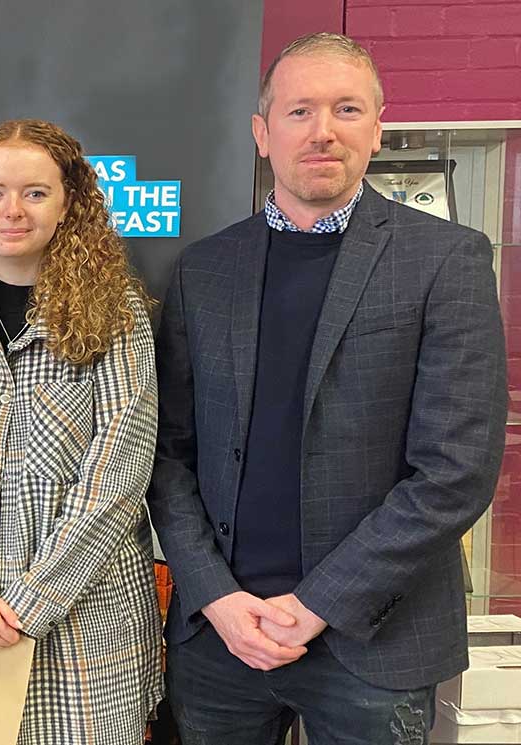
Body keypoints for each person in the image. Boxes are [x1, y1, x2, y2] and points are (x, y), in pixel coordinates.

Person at [148, 32, 506, 745]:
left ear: (377, 127)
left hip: (374, 640)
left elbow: (454, 472)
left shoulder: (447, 261)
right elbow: (166, 452)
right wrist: (216, 596)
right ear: (262, 133)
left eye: (346, 108)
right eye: (299, 110)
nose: (323, 131)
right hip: (222, 637)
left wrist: (316, 603)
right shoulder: (204, 270)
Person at [0, 119, 162, 745]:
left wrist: (33, 602)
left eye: (35, 193)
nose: (11, 210)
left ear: (69, 201)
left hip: (85, 624)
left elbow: (119, 474)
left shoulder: (116, 313)